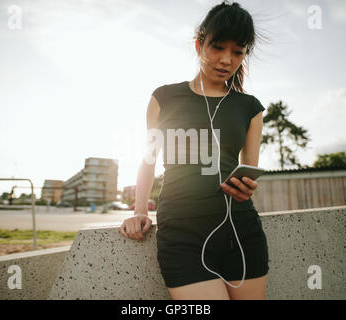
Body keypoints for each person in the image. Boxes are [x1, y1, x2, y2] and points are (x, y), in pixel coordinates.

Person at [119, 1, 269, 300]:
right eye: (218, 47)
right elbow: (148, 160)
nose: (226, 60)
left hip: (239, 230)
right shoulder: (164, 98)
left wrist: (246, 187)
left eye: (238, 51)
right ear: (200, 44)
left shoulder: (250, 108)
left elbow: (249, 170)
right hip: (181, 233)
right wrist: (138, 211)